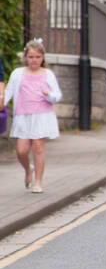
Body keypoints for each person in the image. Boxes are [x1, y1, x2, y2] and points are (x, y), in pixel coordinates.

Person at [5, 40, 62, 192]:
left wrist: (48, 94)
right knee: (21, 151)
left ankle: (38, 182)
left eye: (37, 57)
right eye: (31, 57)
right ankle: (28, 169)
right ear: (26, 57)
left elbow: (57, 96)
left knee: (38, 147)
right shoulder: (18, 74)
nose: (34, 60)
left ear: (42, 58)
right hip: (23, 116)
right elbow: (8, 93)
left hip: (42, 116)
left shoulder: (48, 74)